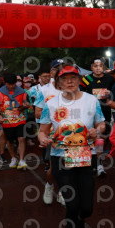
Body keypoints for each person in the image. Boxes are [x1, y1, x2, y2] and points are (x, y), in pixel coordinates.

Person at [38, 65, 106, 228]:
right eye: (65, 78)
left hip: (87, 156)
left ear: (79, 80)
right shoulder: (51, 104)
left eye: (73, 78)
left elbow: (101, 123)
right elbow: (42, 130)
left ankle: (81, 219)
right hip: (61, 158)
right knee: (71, 204)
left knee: (86, 208)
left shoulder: (91, 100)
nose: (70, 81)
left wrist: (97, 131)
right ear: (58, 83)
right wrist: (42, 139)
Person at [35, 60, 65, 205]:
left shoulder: (73, 88)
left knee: (70, 167)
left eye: (62, 68)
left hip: (72, 135)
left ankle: (63, 191)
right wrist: (54, 117)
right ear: (51, 72)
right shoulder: (44, 90)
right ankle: (49, 185)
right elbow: (37, 113)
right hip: (53, 134)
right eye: (55, 69)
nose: (59, 71)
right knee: (53, 169)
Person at [82, 57, 115, 178]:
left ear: (104, 67)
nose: (98, 68)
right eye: (95, 66)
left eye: (100, 66)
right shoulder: (87, 79)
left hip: (105, 110)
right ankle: (98, 164)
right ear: (92, 67)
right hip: (89, 112)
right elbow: (80, 92)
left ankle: (98, 157)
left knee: (102, 137)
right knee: (93, 135)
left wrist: (110, 94)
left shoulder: (110, 78)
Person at [0, 73, 30, 169]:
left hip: (20, 119)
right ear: (5, 83)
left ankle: (22, 160)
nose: (11, 86)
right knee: (10, 141)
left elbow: (26, 103)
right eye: (9, 84)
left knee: (21, 139)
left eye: (13, 84)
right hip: (6, 121)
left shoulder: (22, 92)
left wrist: (26, 105)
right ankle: (13, 158)